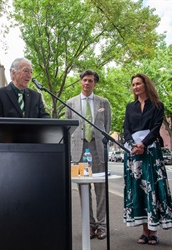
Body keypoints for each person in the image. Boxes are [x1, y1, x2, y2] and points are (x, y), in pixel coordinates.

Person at [123, 73, 172, 245]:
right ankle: (144, 231)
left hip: (150, 151)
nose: (135, 87)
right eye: (133, 84)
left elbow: (155, 128)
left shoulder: (157, 105)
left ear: (146, 84)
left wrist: (143, 144)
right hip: (134, 153)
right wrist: (133, 144)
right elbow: (126, 128)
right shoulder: (130, 106)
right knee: (138, 189)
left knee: (152, 188)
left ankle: (153, 231)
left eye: (138, 83)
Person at [65, 69, 111, 240]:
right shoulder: (70, 103)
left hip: (97, 149)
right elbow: (68, 129)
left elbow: (107, 125)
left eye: (90, 80)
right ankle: (89, 225)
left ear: (95, 84)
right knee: (83, 189)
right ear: (80, 82)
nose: (87, 83)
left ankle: (102, 225)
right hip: (78, 151)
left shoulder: (103, 102)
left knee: (101, 189)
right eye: (84, 80)